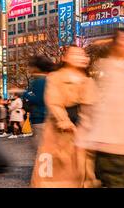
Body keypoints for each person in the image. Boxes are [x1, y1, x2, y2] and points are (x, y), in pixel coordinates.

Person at [78, 29, 124, 188]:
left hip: (123, 146)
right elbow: (93, 106)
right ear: (115, 43)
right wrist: (84, 137)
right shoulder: (104, 70)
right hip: (108, 144)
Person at [31, 45, 96, 188]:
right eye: (75, 54)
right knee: (54, 174)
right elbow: (53, 102)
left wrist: (87, 126)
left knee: (81, 172)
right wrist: (65, 121)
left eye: (82, 55)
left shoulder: (88, 80)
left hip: (81, 134)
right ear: (65, 58)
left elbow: (90, 107)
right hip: (58, 134)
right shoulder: (56, 77)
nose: (80, 57)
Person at [23, 55, 55, 145]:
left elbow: (38, 99)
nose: (29, 69)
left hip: (40, 119)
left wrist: (24, 94)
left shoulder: (39, 81)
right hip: (45, 118)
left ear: (36, 67)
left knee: (42, 151)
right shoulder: (47, 79)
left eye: (30, 66)